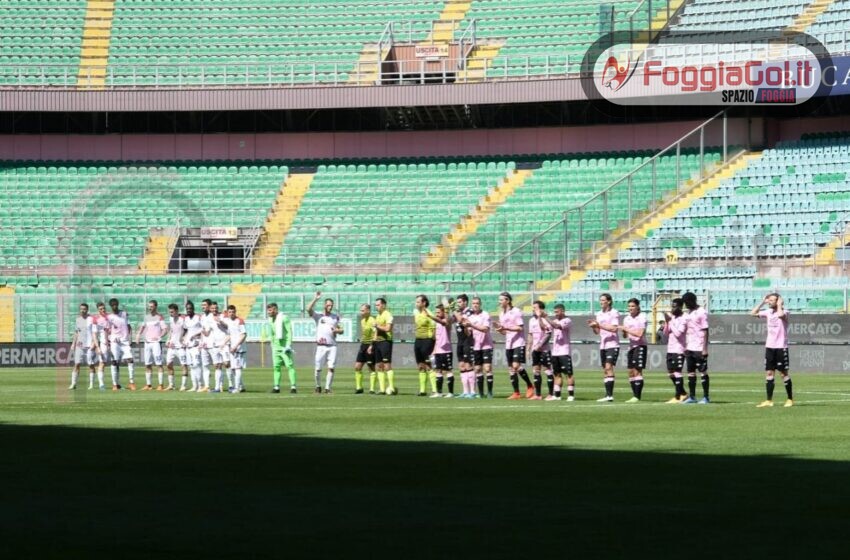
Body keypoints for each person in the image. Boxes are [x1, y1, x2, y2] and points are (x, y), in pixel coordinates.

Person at [752, 293, 793, 408]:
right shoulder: (768, 312)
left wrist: (779, 304)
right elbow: (752, 313)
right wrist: (762, 301)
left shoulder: (785, 312)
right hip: (770, 347)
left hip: (781, 347)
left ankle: (790, 399)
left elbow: (780, 315)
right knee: (769, 373)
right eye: (768, 300)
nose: (769, 302)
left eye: (771, 300)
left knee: (783, 374)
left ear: (778, 301)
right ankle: (769, 400)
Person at [496, 292, 533, 400]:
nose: (499, 302)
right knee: (511, 369)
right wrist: (500, 330)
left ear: (507, 300)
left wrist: (505, 328)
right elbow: (505, 332)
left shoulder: (516, 311)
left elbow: (520, 328)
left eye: (501, 300)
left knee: (516, 366)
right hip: (509, 344)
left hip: (518, 343)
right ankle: (516, 393)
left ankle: (530, 385)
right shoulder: (501, 314)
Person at [307, 291, 343, 394]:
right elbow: (308, 309)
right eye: (328, 305)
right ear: (324, 305)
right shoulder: (318, 316)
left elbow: (341, 330)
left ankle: (328, 388)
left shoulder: (335, 317)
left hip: (332, 346)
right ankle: (318, 386)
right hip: (321, 346)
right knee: (318, 369)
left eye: (331, 305)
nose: (330, 307)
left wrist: (337, 330)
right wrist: (315, 298)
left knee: (331, 368)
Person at [587, 293, 619, 403]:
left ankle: (610, 395)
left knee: (609, 367)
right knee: (605, 370)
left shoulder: (614, 312)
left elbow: (614, 329)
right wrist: (593, 326)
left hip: (612, 344)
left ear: (609, 301)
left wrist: (599, 325)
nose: (601, 302)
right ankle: (607, 395)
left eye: (603, 300)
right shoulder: (599, 314)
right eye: (600, 300)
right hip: (603, 345)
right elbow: (598, 332)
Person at [681, 292, 710, 404]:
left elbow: (705, 330)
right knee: (691, 373)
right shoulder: (689, 313)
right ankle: (692, 397)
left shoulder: (701, 312)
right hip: (690, 347)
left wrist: (704, 348)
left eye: (687, 302)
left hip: (699, 347)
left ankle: (706, 397)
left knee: (703, 372)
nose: (686, 305)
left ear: (692, 301)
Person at [542, 303, 573, 401]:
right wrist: (540, 318)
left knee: (568, 374)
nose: (555, 314)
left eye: (557, 312)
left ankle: (571, 395)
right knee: (557, 374)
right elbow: (545, 328)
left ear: (562, 311)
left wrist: (546, 317)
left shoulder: (567, 320)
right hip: (555, 352)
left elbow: (557, 326)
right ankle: (557, 395)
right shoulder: (554, 320)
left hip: (564, 351)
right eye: (554, 312)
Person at [619, 298, 647, 403]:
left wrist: (627, 330)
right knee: (630, 372)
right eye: (629, 306)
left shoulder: (642, 317)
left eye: (633, 306)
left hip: (640, 346)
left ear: (638, 307)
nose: (630, 308)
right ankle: (634, 395)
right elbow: (625, 336)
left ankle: (637, 396)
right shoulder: (627, 319)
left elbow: (640, 334)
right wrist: (624, 332)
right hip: (631, 346)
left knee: (637, 371)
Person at [465, 296, 493, 399]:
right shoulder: (470, 317)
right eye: (473, 303)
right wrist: (465, 327)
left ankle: (490, 392)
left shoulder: (485, 315)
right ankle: (481, 393)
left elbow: (485, 329)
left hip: (486, 345)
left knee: (487, 368)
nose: (475, 305)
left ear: (480, 304)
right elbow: (468, 333)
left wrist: (471, 325)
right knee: (477, 369)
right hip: (476, 346)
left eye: (477, 303)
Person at [136, 300, 167, 391]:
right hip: (147, 343)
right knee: (147, 364)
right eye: (149, 306)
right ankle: (148, 385)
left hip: (155, 343)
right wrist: (138, 335)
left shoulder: (159, 317)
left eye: (152, 306)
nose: (150, 308)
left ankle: (160, 384)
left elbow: (165, 329)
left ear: (156, 306)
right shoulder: (146, 317)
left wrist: (159, 336)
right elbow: (142, 327)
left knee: (159, 364)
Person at [69, 303, 101, 390]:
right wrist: (73, 343)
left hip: (89, 346)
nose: (83, 310)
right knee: (77, 364)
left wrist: (94, 343)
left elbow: (95, 332)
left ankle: (91, 385)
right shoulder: (78, 320)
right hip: (79, 345)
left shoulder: (92, 319)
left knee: (91, 365)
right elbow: (76, 332)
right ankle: (73, 384)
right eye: (81, 309)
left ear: (87, 310)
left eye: (84, 309)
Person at [107, 298, 135, 391]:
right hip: (115, 342)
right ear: (111, 306)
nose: (114, 306)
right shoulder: (109, 317)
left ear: (118, 304)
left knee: (130, 360)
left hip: (125, 341)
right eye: (113, 305)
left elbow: (129, 326)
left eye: (116, 305)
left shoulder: (124, 314)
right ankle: (115, 384)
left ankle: (131, 383)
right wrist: (108, 341)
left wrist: (130, 338)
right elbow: (107, 330)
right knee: (114, 362)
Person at [268, 303, 297, 394]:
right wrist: (272, 343)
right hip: (276, 347)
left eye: (270, 310)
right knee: (276, 367)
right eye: (268, 310)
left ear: (275, 310)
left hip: (284, 347)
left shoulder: (284, 318)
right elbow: (271, 333)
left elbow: (289, 332)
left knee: (289, 366)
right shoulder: (270, 320)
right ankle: (276, 387)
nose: (268, 312)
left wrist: (288, 345)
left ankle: (293, 387)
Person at [527, 300, 552, 400]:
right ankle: (538, 395)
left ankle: (551, 394)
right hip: (535, 350)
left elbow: (548, 334)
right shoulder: (531, 320)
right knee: (536, 371)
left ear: (541, 309)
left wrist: (540, 345)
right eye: (533, 308)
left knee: (547, 370)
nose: (533, 309)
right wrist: (528, 348)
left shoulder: (546, 319)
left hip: (544, 350)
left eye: (535, 308)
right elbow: (530, 334)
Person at [413, 295, 436, 397]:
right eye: (416, 301)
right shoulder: (415, 312)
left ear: (424, 303)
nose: (416, 303)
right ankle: (422, 390)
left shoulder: (429, 314)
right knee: (420, 366)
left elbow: (434, 328)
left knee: (429, 365)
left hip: (427, 341)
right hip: (418, 341)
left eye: (418, 302)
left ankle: (435, 390)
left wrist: (433, 342)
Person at [452, 294, 475, 398]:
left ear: (465, 302)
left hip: (468, 340)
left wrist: (454, 311)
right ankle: (465, 392)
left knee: (468, 365)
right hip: (460, 341)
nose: (458, 304)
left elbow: (462, 320)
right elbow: (448, 322)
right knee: (461, 366)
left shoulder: (469, 311)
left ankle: (473, 392)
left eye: (460, 302)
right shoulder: (458, 312)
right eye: (457, 302)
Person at [430, 303, 454, 397]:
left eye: (438, 312)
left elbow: (446, 322)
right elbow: (436, 338)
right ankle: (439, 392)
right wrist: (434, 350)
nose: (436, 314)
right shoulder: (437, 323)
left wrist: (447, 310)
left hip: (446, 350)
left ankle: (450, 392)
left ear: (443, 312)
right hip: (438, 350)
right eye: (436, 312)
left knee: (448, 371)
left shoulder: (446, 322)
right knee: (438, 370)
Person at [223, 304, 247, 394]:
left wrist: (236, 346)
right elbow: (230, 335)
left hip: (239, 349)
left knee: (237, 368)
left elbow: (244, 335)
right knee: (233, 369)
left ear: (235, 312)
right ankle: (241, 386)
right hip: (232, 348)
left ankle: (236, 388)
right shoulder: (229, 322)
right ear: (228, 313)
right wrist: (223, 344)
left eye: (233, 312)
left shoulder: (239, 321)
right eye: (230, 312)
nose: (231, 313)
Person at [374, 297, 396, 395]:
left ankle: (391, 388)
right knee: (379, 365)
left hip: (386, 342)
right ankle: (382, 389)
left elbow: (388, 328)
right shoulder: (378, 315)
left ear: (383, 305)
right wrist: (373, 343)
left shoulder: (388, 314)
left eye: (378, 305)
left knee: (387, 365)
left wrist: (377, 326)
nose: (376, 307)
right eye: (376, 305)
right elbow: (376, 331)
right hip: (378, 342)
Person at [181, 301, 204, 392]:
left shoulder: (198, 317)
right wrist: (184, 339)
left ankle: (201, 385)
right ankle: (194, 386)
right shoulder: (186, 319)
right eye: (187, 309)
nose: (189, 310)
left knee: (197, 364)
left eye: (190, 308)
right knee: (191, 366)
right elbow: (186, 331)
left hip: (196, 345)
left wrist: (196, 335)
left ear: (193, 309)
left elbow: (203, 328)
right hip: (188, 345)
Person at [354, 304, 376, 394]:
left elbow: (375, 334)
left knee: (371, 368)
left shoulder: (372, 321)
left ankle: (372, 389)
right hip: (363, 345)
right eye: (361, 310)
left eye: (363, 310)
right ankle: (359, 388)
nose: (361, 312)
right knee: (357, 367)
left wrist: (372, 345)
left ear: (368, 311)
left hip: (371, 345)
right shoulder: (362, 320)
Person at [164, 303, 186, 391]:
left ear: (177, 311)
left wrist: (184, 339)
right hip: (172, 346)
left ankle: (183, 385)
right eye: (170, 312)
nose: (171, 314)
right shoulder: (170, 319)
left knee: (183, 365)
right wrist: (168, 340)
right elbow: (171, 330)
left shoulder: (182, 319)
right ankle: (171, 385)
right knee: (168, 364)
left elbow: (187, 330)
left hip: (180, 346)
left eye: (172, 312)